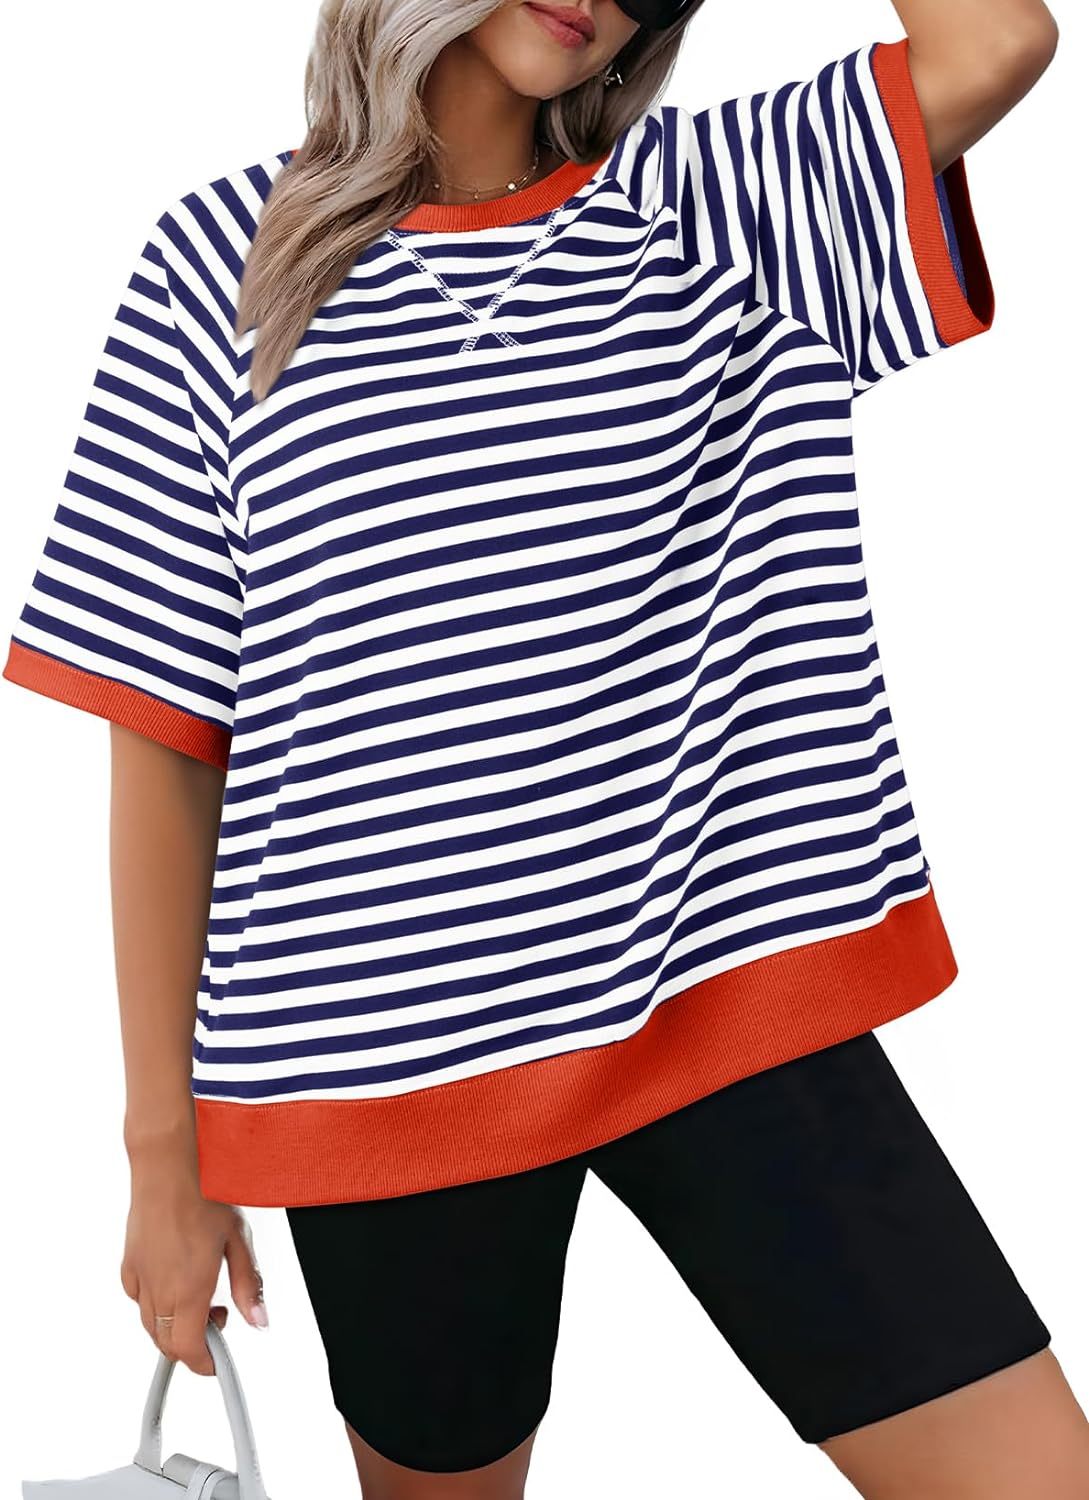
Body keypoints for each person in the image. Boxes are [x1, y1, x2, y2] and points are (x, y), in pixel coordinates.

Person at [4, 0, 1087, 1495]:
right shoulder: (219, 264)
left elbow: (995, 44)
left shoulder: (719, 204)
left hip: (727, 1006)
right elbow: (169, 727)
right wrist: (162, 1158)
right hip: (381, 1062)